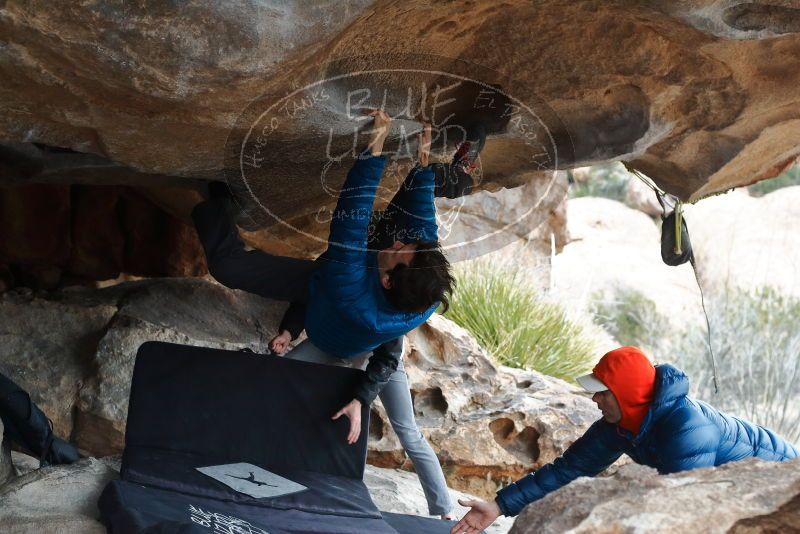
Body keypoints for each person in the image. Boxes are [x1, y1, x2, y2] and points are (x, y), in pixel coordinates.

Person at [193, 110, 480, 519]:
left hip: (333, 318)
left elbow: (355, 206)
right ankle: (446, 512)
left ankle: (442, 512)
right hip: (330, 302)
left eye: (397, 250)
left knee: (231, 274)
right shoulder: (421, 294)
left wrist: (376, 144)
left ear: (386, 281)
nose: (399, 242)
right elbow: (422, 230)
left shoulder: (350, 285)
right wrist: (423, 156)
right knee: (406, 211)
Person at [452, 346, 799, 534]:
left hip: (780, 475)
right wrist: (498, 507)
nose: (594, 400)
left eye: (602, 393)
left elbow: (687, 511)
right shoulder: (618, 423)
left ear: (627, 395)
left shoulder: (688, 430)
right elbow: (569, 470)